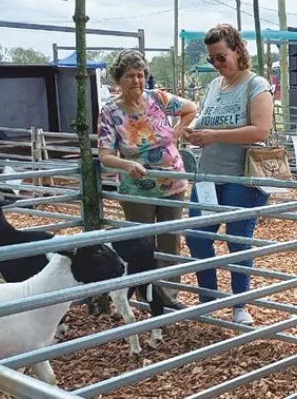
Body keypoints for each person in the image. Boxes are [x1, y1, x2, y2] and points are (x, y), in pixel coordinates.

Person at [181, 24, 274, 325]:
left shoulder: (256, 85)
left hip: (241, 176)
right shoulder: (213, 87)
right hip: (208, 174)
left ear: (238, 50)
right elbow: (204, 121)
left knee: (237, 239)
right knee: (197, 236)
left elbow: (261, 130)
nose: (217, 64)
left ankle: (239, 303)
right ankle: (208, 298)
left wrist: (215, 135)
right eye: (212, 59)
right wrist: (194, 134)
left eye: (221, 57)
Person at [97, 49, 198, 310]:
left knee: (170, 240)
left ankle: (169, 298)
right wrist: (127, 164)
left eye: (140, 75)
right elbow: (106, 154)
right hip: (137, 189)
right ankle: (148, 295)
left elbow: (191, 108)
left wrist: (176, 133)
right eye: (130, 76)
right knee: (142, 244)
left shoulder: (158, 99)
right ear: (118, 80)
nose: (136, 81)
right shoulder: (110, 112)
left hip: (172, 183)